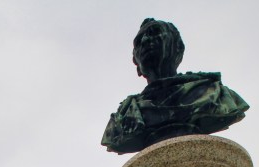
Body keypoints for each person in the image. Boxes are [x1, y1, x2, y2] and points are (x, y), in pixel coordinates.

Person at [102, 19, 249, 154]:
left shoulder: (214, 93)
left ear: (178, 47)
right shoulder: (126, 115)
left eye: (155, 33)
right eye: (139, 42)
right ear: (136, 62)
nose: (146, 40)